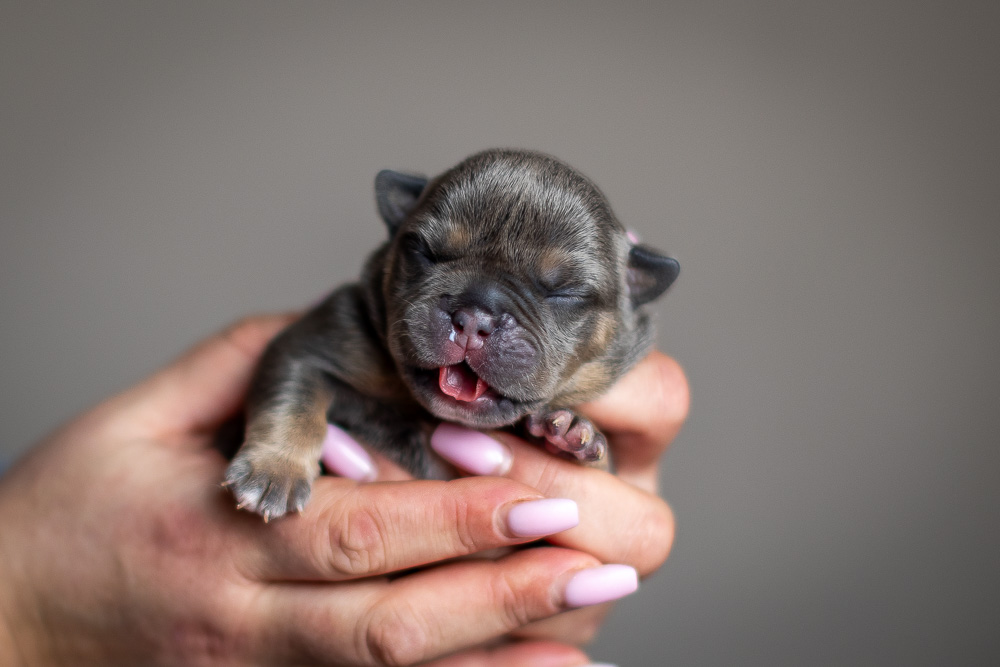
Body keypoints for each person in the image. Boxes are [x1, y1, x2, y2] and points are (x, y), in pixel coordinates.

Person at [0, 314, 688, 666]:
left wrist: (577, 466)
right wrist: (24, 607)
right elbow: (300, 361)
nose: (476, 322)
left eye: (560, 292)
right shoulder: (357, 326)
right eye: (431, 256)